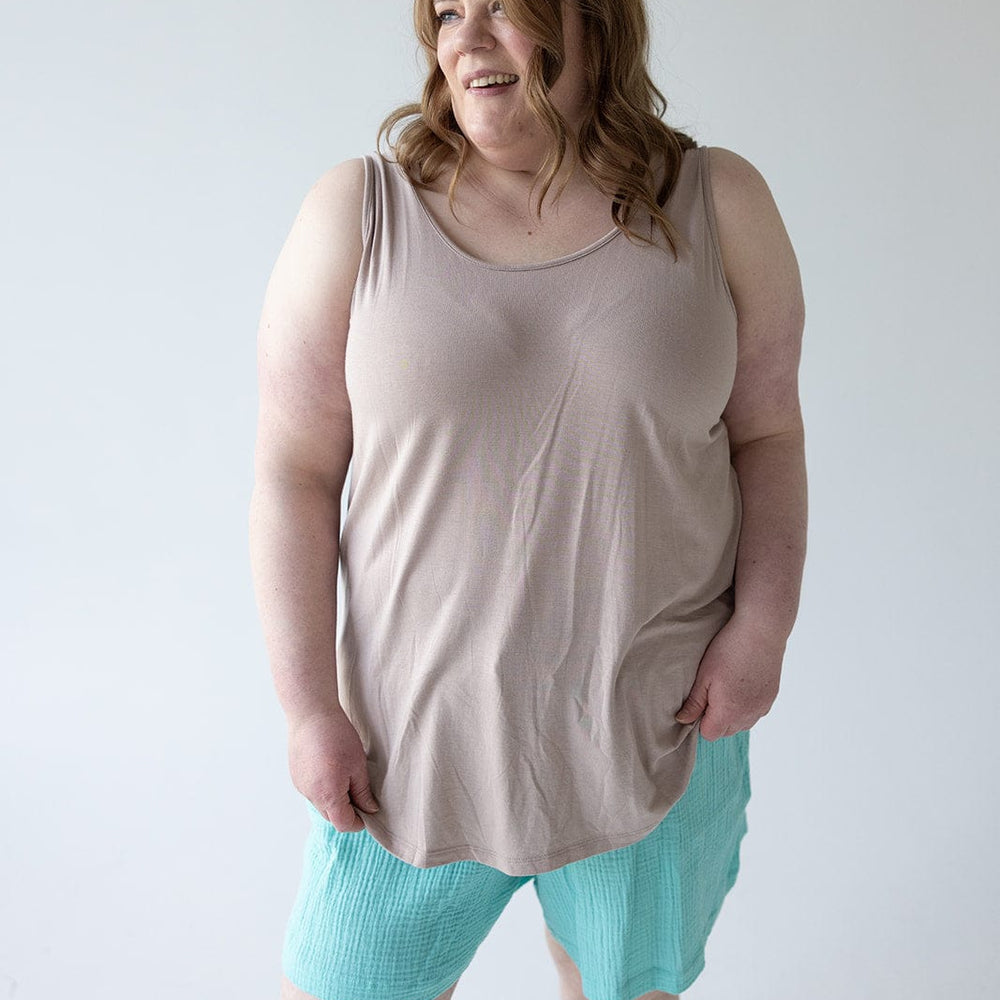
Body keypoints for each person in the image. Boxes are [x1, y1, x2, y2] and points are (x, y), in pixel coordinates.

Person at [249, 0, 807, 998]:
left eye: (499, 6)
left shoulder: (718, 203)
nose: (464, 36)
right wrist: (306, 707)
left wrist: (761, 629)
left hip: (651, 730)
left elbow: (766, 435)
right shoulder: (358, 211)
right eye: (446, 11)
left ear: (592, 19)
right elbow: (295, 469)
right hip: (406, 745)